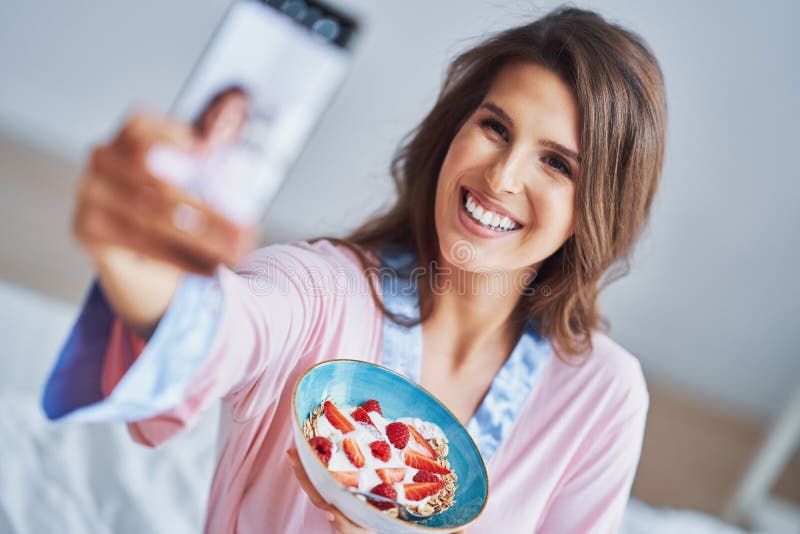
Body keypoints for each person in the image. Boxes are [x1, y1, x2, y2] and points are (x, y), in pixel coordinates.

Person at [42, 6, 667, 533]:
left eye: (557, 164)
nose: (503, 177)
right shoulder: (320, 291)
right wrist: (136, 261)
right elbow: (217, 329)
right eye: (495, 127)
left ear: (596, 209)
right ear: (455, 132)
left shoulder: (601, 397)